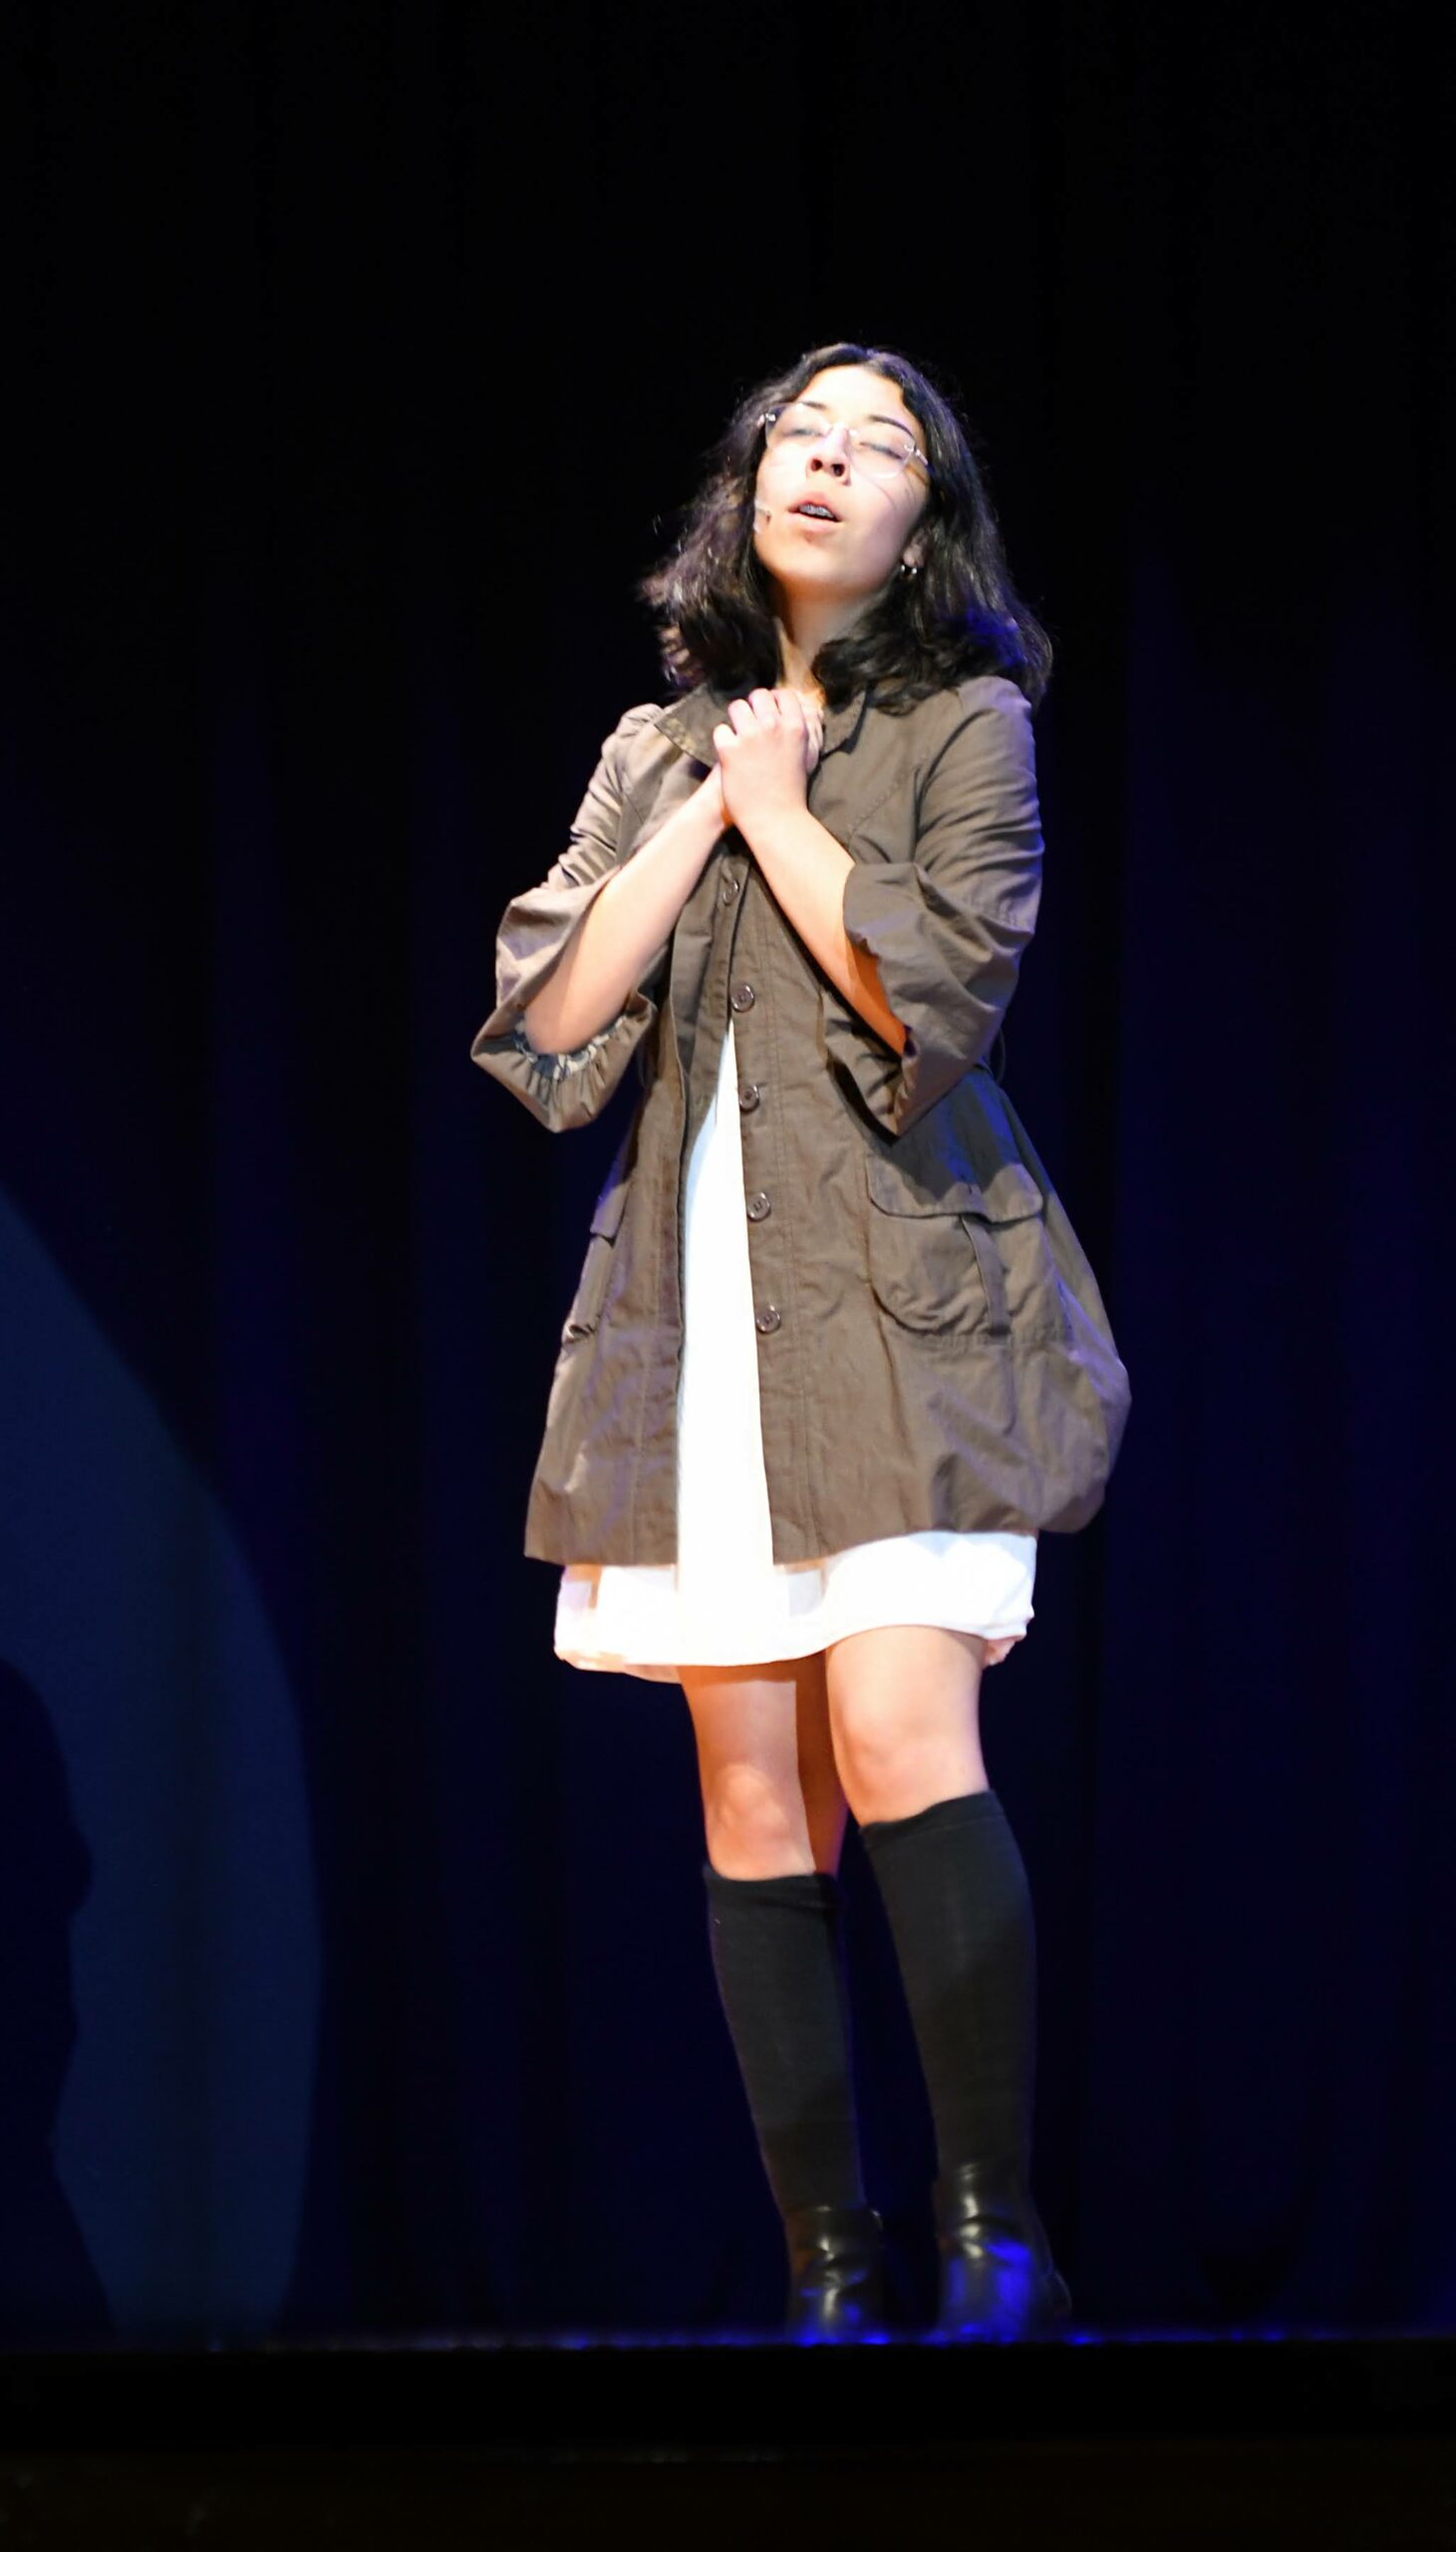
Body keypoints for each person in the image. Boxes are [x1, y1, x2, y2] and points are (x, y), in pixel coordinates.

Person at [470, 341, 1130, 2343]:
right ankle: (826, 2270)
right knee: (754, 1800)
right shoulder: (653, 745)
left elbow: (935, 994)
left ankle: (992, 2241)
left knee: (901, 1739)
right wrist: (709, 802)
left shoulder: (966, 723)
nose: (825, 463)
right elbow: (546, 1019)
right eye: (799, 436)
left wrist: (788, 807)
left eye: (876, 445)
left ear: (924, 523)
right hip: (700, 1314)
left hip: (906, 1298)